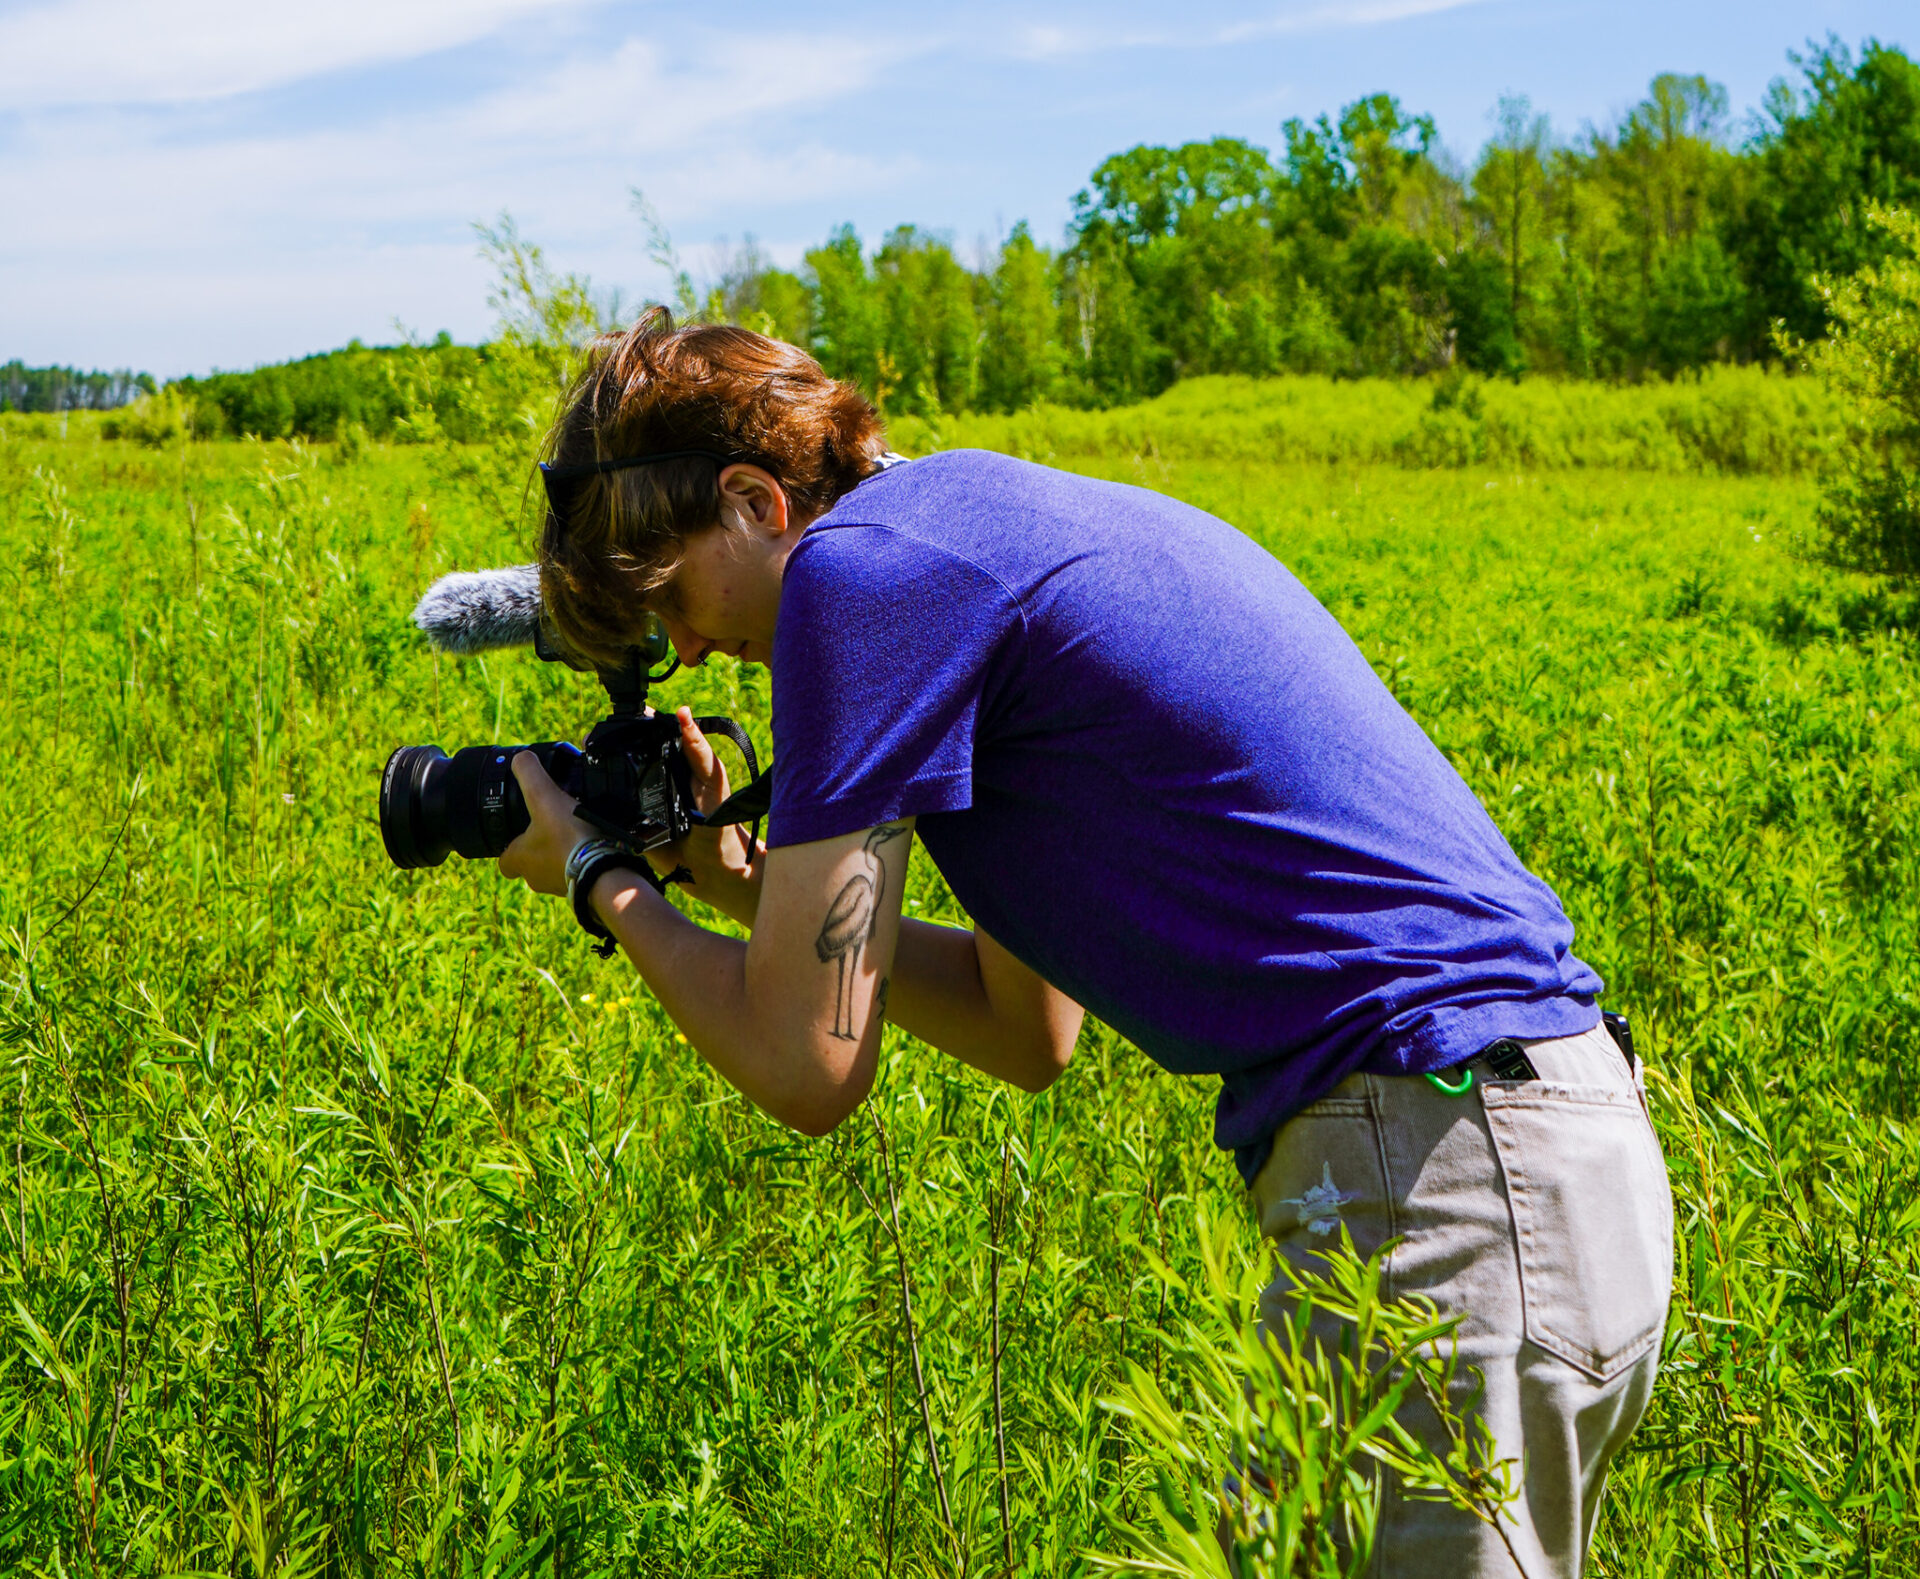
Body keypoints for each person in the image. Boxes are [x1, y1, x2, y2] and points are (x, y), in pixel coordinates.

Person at [496, 309, 1673, 1577]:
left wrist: (596, 874)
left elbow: (804, 1067)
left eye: (668, 595)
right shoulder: (966, 532)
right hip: (1519, 1156)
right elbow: (1027, 1029)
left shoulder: (861, 583)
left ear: (753, 500)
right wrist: (733, 888)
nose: (679, 648)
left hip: (1436, 1171)